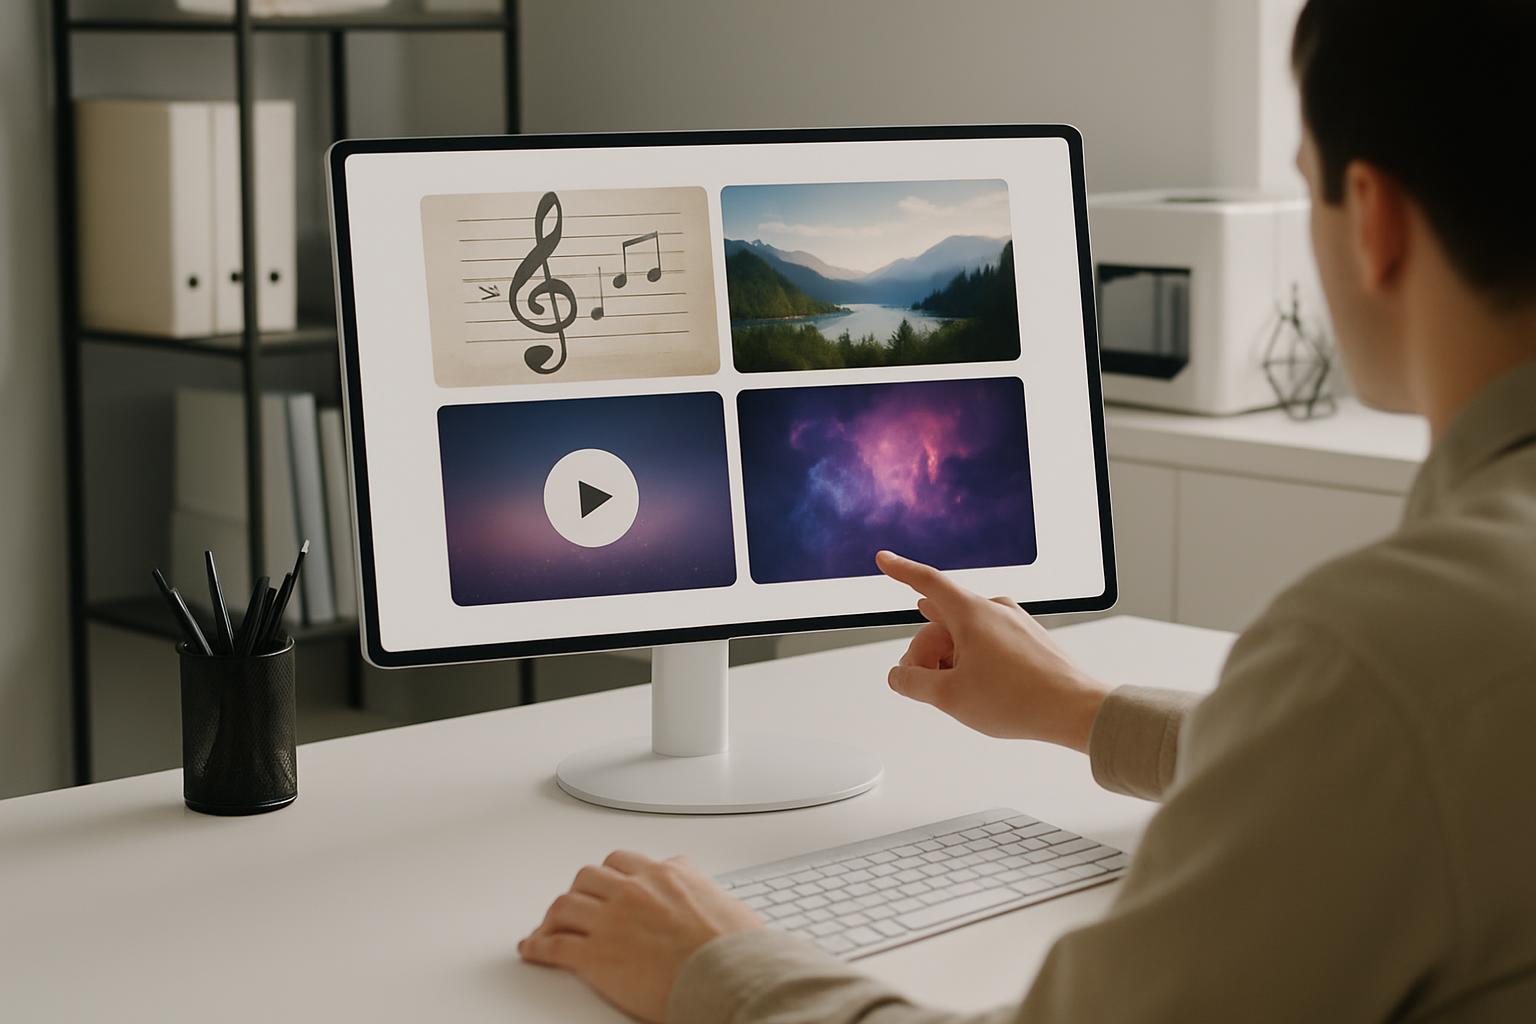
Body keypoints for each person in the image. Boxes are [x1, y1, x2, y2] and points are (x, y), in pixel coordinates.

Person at [518, 0, 1536, 1018]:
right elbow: (1387, 775)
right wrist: (1083, 712)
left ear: (1376, 220)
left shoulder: (1388, 652)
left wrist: (712, 962)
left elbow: (1381, 736)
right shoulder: (1427, 678)